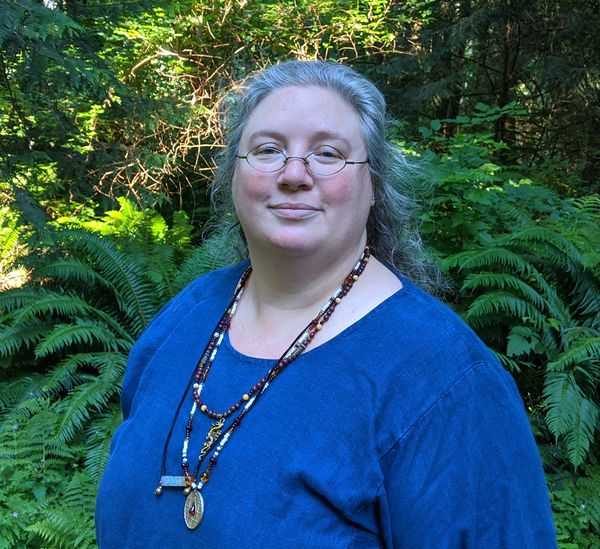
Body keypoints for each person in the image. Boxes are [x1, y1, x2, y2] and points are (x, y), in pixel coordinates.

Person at [95, 60, 557, 548]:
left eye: (328, 153)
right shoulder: (188, 314)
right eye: (268, 150)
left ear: (374, 184)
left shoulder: (447, 378)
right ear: (234, 174)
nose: (294, 173)